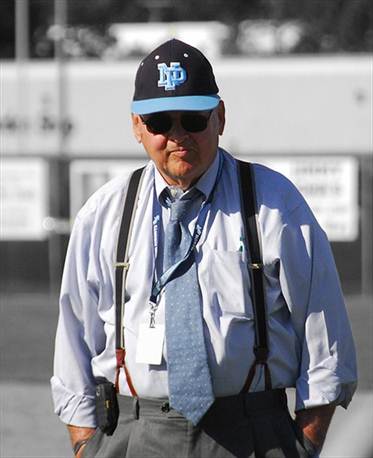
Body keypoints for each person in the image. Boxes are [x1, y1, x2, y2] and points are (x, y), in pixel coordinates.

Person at [51, 39, 357, 458]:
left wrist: (303, 446)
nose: (178, 136)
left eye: (193, 118)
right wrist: (88, 446)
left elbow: (326, 338)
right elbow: (74, 344)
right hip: (134, 432)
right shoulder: (103, 215)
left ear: (220, 117)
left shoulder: (274, 203)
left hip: (251, 432)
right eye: (160, 122)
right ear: (137, 127)